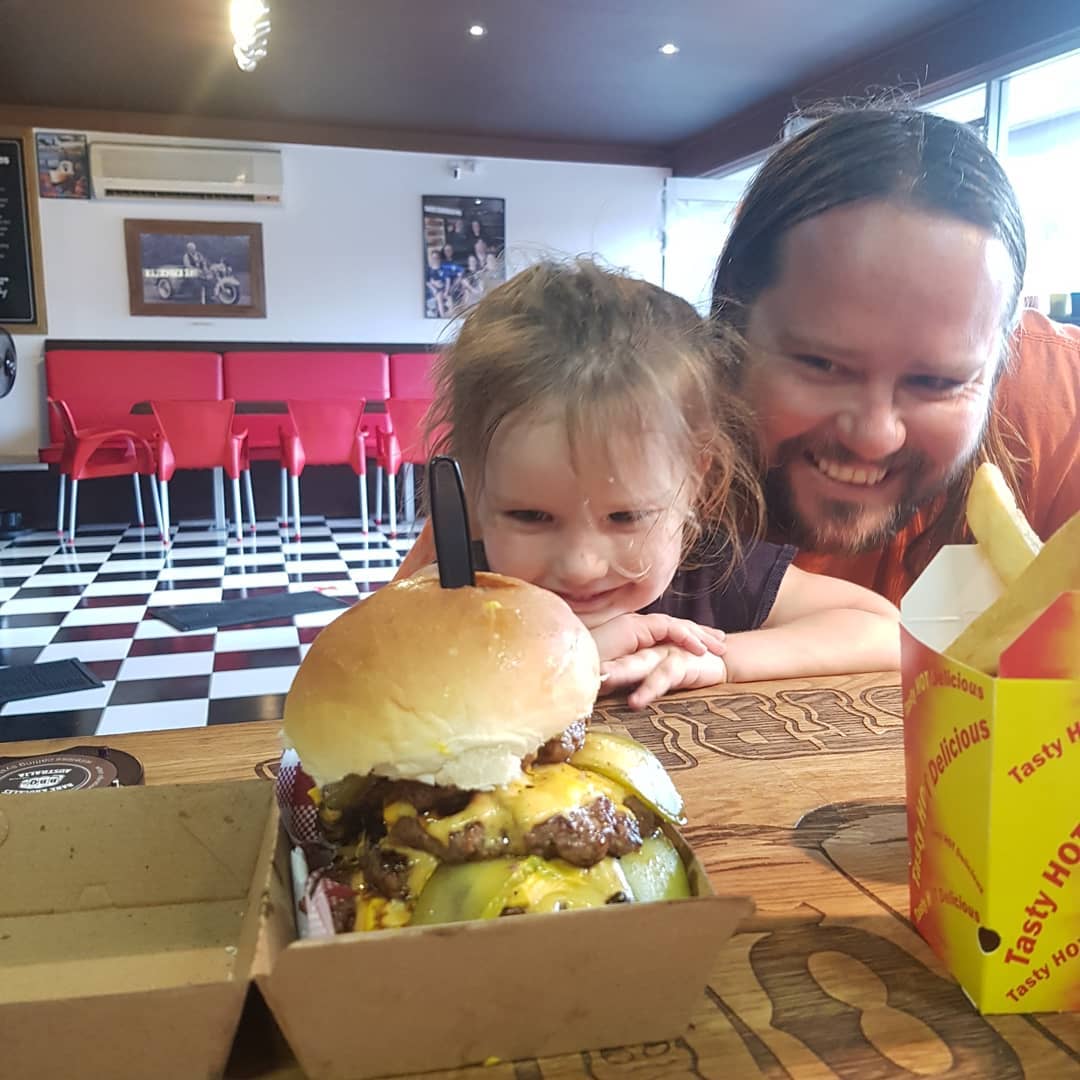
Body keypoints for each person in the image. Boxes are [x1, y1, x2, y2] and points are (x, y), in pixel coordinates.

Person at [417, 260, 899, 707]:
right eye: (530, 516)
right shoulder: (456, 591)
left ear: (697, 484)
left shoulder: (710, 572)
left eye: (626, 517)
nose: (582, 566)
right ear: (473, 494)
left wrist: (721, 658)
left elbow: (888, 630)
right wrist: (568, 657)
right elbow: (364, 690)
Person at [709, 106, 1080, 602]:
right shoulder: (621, 430)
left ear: (1000, 355)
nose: (872, 438)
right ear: (732, 324)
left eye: (937, 383)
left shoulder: (1061, 404)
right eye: (821, 364)